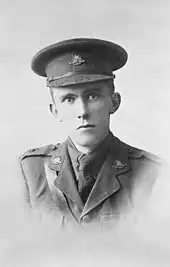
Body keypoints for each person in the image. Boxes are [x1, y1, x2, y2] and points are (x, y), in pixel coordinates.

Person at [19, 38, 162, 228]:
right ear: (55, 111)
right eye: (69, 99)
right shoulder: (30, 171)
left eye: (93, 96)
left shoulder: (152, 174)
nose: (82, 112)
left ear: (114, 102)